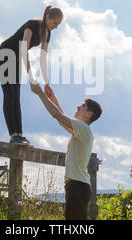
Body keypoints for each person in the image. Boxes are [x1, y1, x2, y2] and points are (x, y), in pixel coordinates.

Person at [30, 83, 102, 220]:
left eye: (82, 106)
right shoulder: (81, 131)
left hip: (77, 186)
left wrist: (40, 93)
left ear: (89, 114)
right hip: (77, 186)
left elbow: (56, 114)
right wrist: (52, 98)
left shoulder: (83, 128)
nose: (77, 107)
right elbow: (61, 118)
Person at [0, 6, 63, 145]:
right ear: (47, 17)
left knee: (16, 96)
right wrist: (31, 77)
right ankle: (14, 135)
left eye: (59, 24)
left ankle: (19, 135)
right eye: (55, 23)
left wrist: (46, 83)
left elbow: (42, 58)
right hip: (4, 54)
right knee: (10, 94)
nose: (56, 27)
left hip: (14, 59)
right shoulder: (32, 25)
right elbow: (23, 50)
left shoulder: (47, 34)